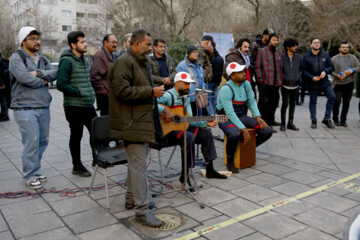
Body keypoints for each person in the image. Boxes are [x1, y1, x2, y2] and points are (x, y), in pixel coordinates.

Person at [108, 29, 164, 228]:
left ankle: (132, 199)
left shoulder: (141, 62)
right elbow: (122, 91)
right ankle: (142, 210)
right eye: (148, 45)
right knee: (140, 167)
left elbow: (145, 84)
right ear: (136, 43)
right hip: (131, 124)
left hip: (140, 122)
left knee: (136, 165)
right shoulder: (124, 62)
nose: (151, 49)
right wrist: (151, 91)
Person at [158, 72, 227, 188]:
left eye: (189, 84)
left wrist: (206, 121)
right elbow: (152, 103)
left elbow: (189, 119)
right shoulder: (168, 96)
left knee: (206, 134)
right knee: (188, 136)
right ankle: (185, 175)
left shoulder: (186, 98)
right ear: (177, 83)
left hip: (182, 128)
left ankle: (210, 169)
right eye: (185, 84)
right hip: (166, 132)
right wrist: (165, 111)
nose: (188, 87)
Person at [9, 26, 57, 189]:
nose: (37, 42)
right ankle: (29, 175)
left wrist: (39, 74)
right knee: (32, 142)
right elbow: (24, 78)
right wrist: (44, 81)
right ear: (23, 41)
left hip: (43, 106)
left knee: (43, 141)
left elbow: (54, 73)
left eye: (37, 38)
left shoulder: (42, 59)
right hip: (25, 108)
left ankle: (35, 170)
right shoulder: (17, 58)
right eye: (32, 39)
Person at [217, 62, 273, 173]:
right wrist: (243, 129)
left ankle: (246, 148)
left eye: (243, 71)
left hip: (240, 115)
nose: (244, 74)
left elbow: (251, 101)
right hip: (224, 117)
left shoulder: (246, 84)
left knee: (267, 131)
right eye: (240, 72)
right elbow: (230, 112)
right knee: (234, 134)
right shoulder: (226, 89)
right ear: (232, 76)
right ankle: (230, 161)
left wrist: (258, 116)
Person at [57, 31, 96, 177]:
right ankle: (77, 165)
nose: (85, 44)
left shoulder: (83, 59)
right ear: (73, 45)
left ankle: (96, 159)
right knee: (76, 135)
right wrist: (79, 92)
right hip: (74, 106)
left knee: (96, 132)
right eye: (82, 42)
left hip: (87, 104)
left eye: (85, 41)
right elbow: (61, 84)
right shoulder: (67, 61)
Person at [302, 38, 336, 129]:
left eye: (318, 42)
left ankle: (327, 118)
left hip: (324, 82)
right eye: (314, 43)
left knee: (332, 97)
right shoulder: (306, 56)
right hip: (312, 82)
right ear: (311, 45)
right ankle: (313, 120)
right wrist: (311, 77)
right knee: (313, 101)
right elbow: (303, 70)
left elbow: (331, 67)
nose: (317, 44)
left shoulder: (325, 54)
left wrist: (325, 71)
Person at [176, 44, 214, 116]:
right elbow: (180, 83)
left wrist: (203, 88)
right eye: (194, 52)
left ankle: (199, 126)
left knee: (198, 116)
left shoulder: (198, 65)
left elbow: (202, 79)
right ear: (189, 53)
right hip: (189, 98)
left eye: (197, 52)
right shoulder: (182, 66)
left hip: (199, 96)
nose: (197, 54)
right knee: (190, 117)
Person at [256, 33, 282, 130]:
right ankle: (263, 123)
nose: (275, 42)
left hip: (276, 83)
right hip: (266, 82)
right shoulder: (262, 51)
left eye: (277, 40)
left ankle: (271, 120)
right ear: (270, 40)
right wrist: (260, 79)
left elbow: (280, 67)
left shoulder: (278, 52)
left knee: (274, 103)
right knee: (264, 103)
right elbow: (258, 66)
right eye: (274, 40)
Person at [331, 41, 360, 127]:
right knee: (337, 101)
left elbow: (359, 67)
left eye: (347, 47)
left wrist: (352, 70)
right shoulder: (334, 58)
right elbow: (330, 70)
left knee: (346, 103)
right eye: (343, 47)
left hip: (349, 83)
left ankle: (343, 120)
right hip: (338, 84)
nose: (345, 48)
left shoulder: (353, 58)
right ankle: (335, 118)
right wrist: (337, 76)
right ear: (339, 48)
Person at [90, 34, 117, 116]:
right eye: (113, 42)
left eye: (116, 42)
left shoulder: (111, 55)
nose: (115, 45)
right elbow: (94, 76)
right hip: (105, 96)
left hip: (111, 94)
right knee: (105, 120)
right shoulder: (100, 55)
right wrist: (103, 92)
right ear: (105, 42)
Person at [280, 37, 302, 131]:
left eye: (296, 45)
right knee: (285, 104)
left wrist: (298, 77)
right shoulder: (281, 57)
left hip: (296, 84)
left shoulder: (298, 57)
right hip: (285, 85)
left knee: (293, 104)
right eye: (293, 45)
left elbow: (300, 69)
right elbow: (280, 70)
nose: (295, 47)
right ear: (288, 47)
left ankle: (290, 123)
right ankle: (283, 123)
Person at [208, 42, 223, 113]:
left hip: (210, 81)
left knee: (208, 100)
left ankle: (211, 116)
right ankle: (213, 115)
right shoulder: (220, 58)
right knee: (214, 100)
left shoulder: (209, 58)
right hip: (217, 82)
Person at [0, 53, 10, 121]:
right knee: (3, 99)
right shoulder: (2, 60)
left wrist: (1, 83)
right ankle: (4, 114)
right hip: (4, 83)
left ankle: (4, 115)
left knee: (3, 99)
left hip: (2, 84)